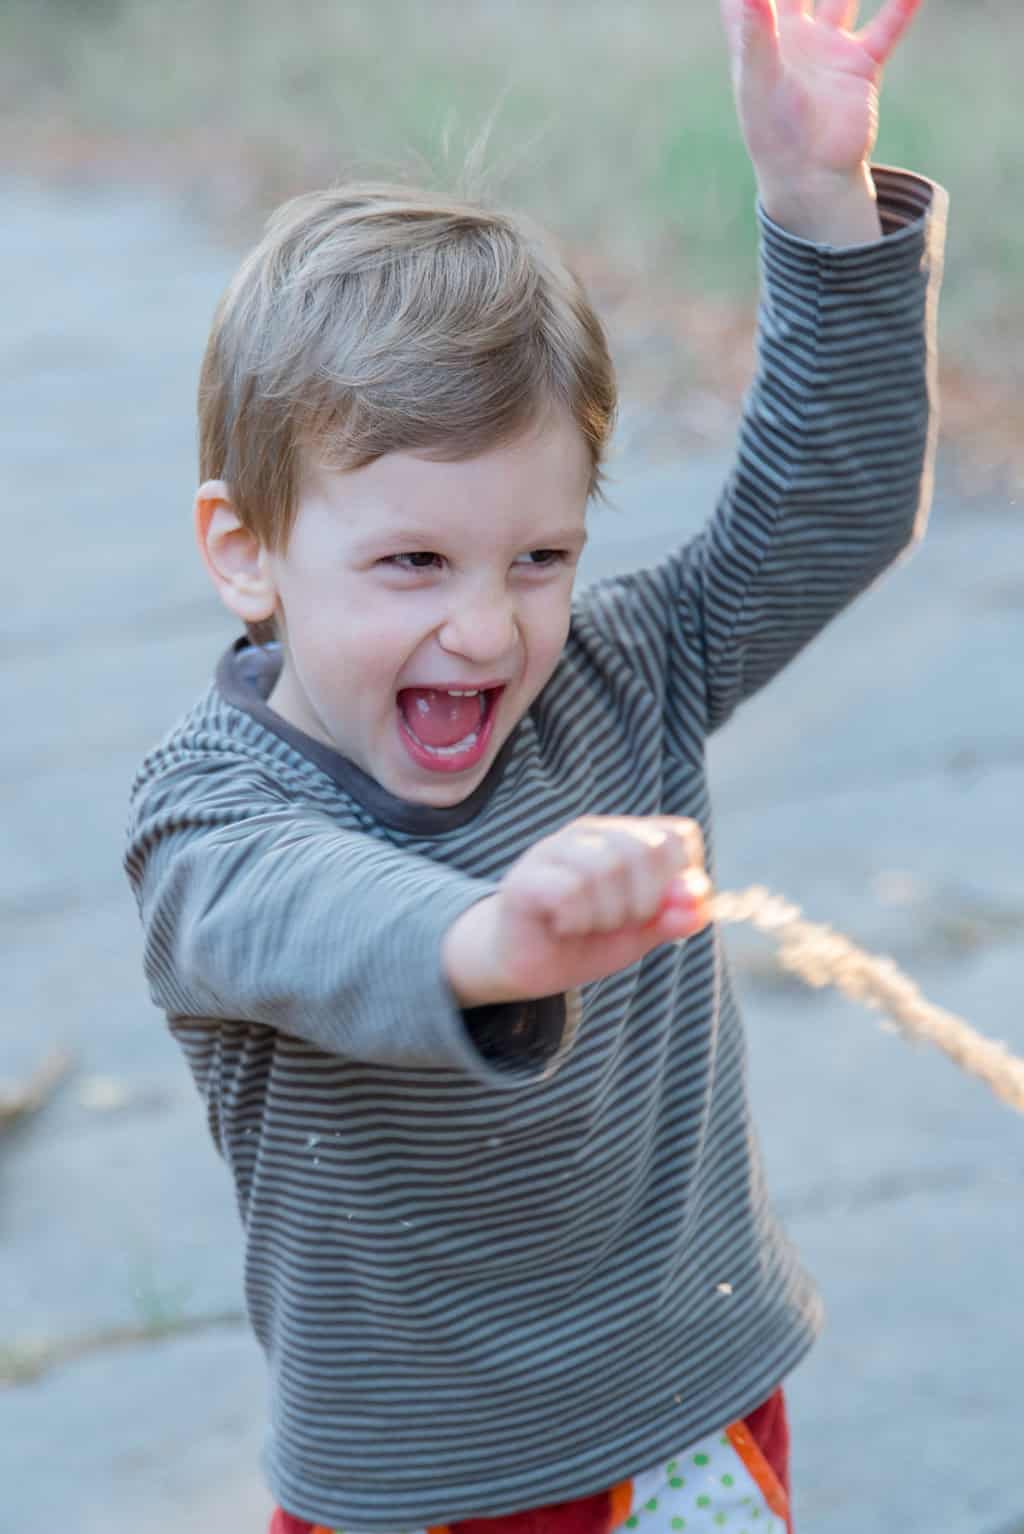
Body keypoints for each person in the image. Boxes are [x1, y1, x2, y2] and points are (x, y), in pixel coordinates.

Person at [124, 2, 947, 1530]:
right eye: (414, 561)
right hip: (417, 1487)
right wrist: (490, 935)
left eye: (541, 555)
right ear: (246, 552)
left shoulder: (622, 673)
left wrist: (818, 203)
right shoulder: (211, 811)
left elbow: (827, 507)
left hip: (687, 1411)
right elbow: (307, 912)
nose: (489, 626)